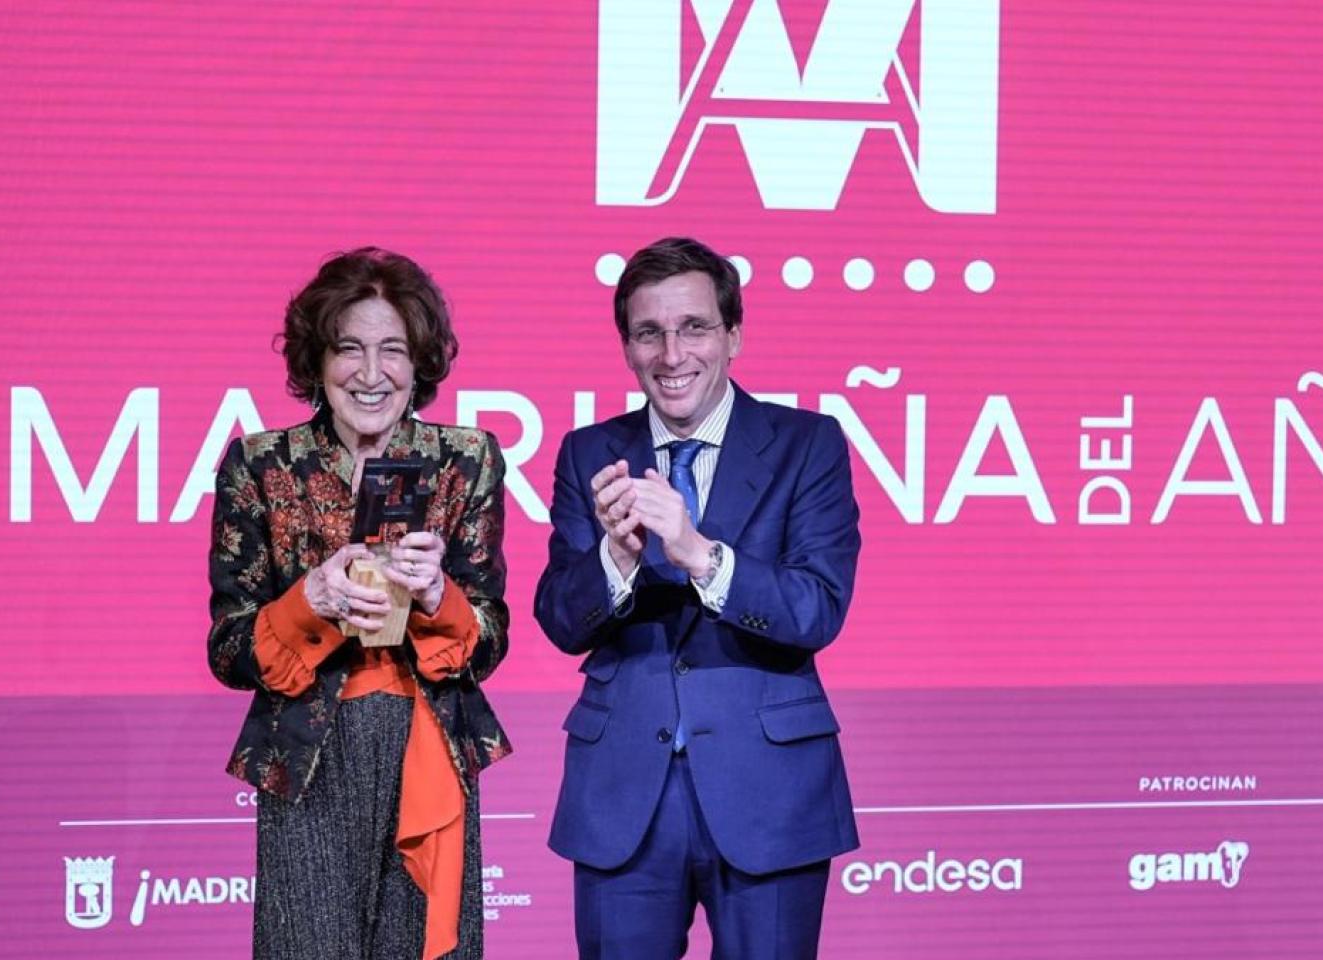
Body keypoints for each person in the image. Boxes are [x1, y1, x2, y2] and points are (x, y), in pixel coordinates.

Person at [535, 237, 861, 959]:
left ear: (733, 335)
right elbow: (561, 617)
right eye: (649, 333)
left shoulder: (809, 443)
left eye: (694, 328)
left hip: (769, 787)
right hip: (624, 792)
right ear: (626, 346)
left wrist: (699, 555)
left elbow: (817, 608)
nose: (672, 354)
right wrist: (615, 560)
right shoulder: (590, 452)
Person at [207, 248, 510, 960]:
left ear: (420, 363)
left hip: (428, 747)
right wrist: (305, 601)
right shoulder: (259, 463)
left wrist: (439, 594)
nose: (371, 375)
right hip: (308, 757)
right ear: (317, 359)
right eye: (349, 349)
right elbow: (227, 647)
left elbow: (489, 639)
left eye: (393, 351)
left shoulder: (465, 459)